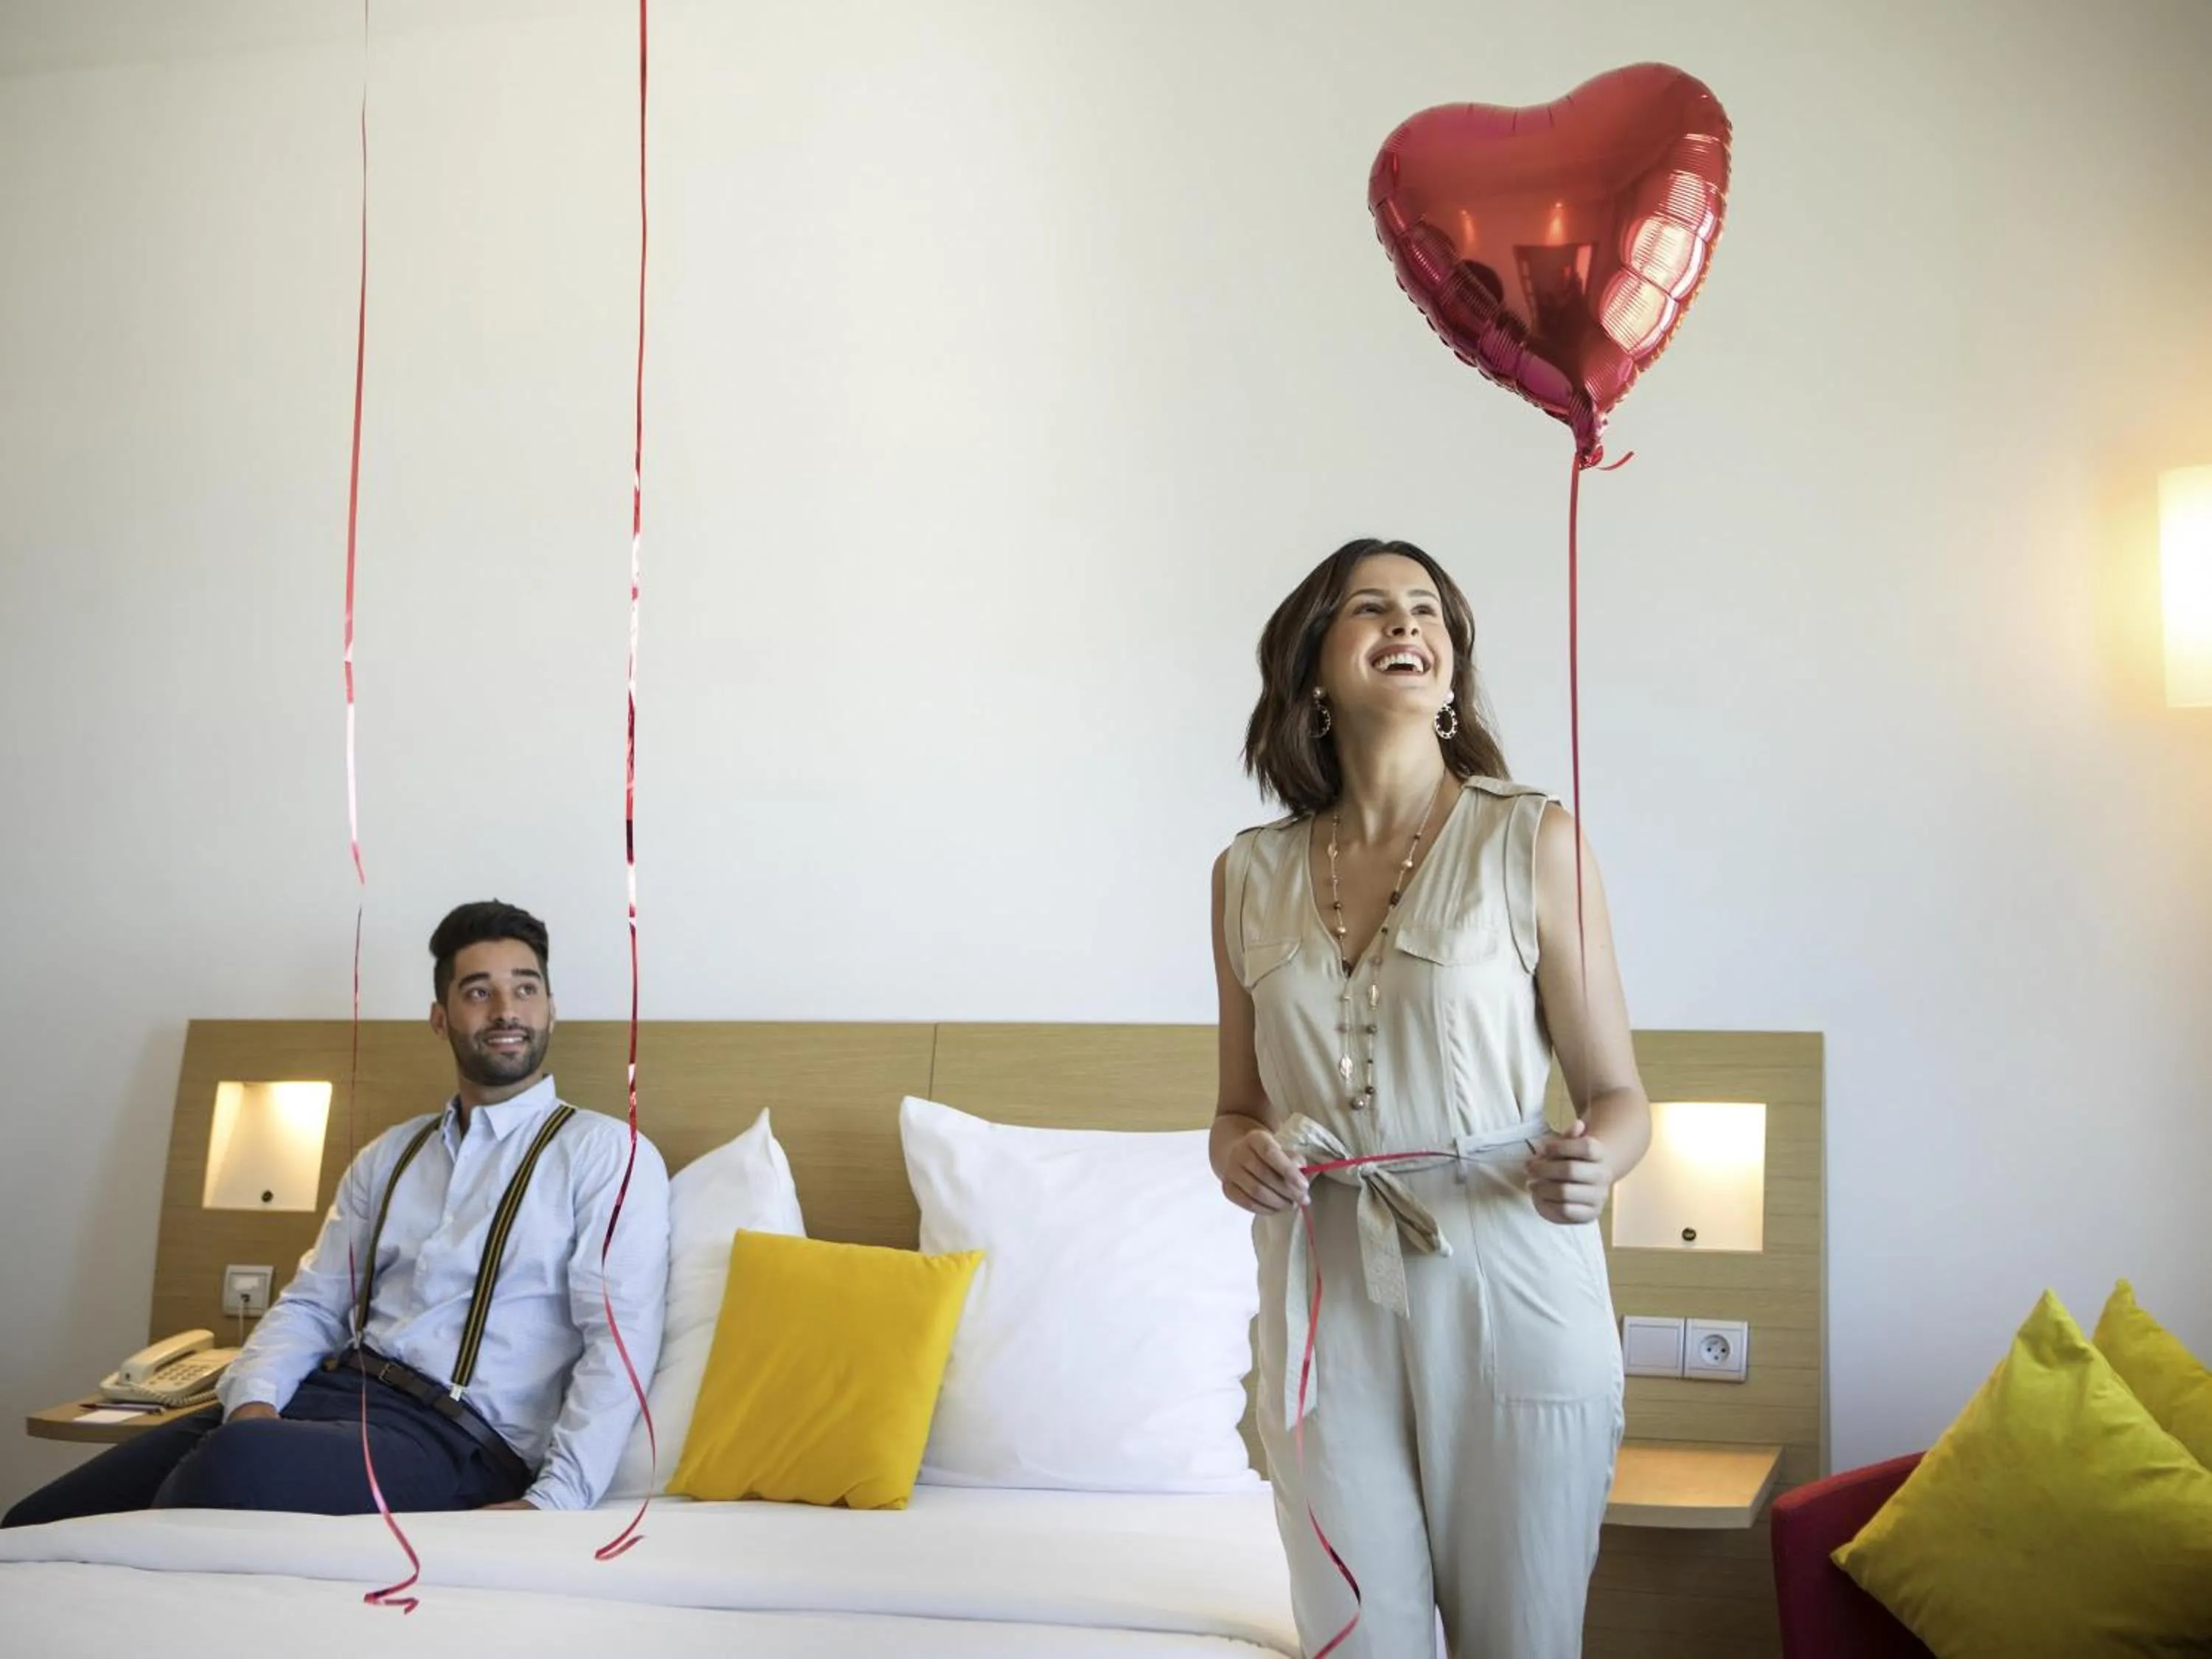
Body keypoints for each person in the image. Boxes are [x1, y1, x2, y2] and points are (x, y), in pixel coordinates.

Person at [1209, 539, 1652, 1657]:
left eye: (1428, 611)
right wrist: (1237, 1153)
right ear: (1314, 667)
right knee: (1362, 1636)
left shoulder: (1533, 838)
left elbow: (1617, 1095)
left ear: (1450, 671)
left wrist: (1599, 1156)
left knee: (1521, 1638)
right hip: (1322, 1289)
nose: (1406, 624)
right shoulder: (1245, 875)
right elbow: (1233, 1108)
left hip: (1511, 1277)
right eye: (1371, 608)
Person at [5, 900, 669, 1526]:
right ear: (440, 1017)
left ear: (552, 1009)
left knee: (229, 1469)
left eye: (526, 989)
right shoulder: (391, 1155)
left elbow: (620, 1342)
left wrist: (554, 1502)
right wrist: (255, 1401)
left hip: (455, 1441)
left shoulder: (606, 1153)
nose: (506, 1010)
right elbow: (314, 1306)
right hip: (318, 1403)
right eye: (478, 992)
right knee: (33, 1524)